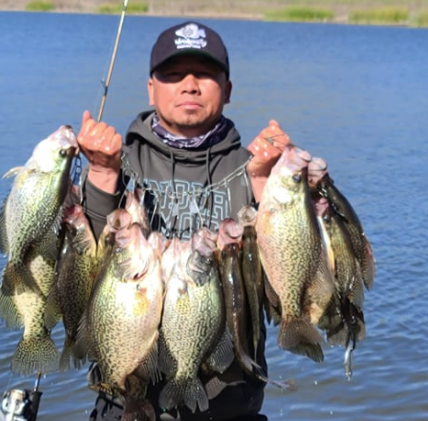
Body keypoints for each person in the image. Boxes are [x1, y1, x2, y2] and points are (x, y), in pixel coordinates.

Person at [77, 21, 291, 421]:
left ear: (227, 89)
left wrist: (267, 186)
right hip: (124, 404)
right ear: (151, 88)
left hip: (228, 406)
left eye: (205, 75)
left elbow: (284, 293)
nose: (189, 85)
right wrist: (103, 176)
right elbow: (80, 274)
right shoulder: (110, 159)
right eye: (173, 75)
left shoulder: (259, 168)